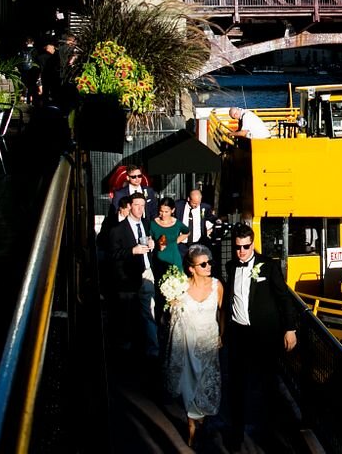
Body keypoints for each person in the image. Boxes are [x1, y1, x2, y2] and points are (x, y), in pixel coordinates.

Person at [221, 222, 298, 451]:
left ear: (253, 244)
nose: (241, 252)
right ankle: (236, 435)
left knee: (267, 385)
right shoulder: (231, 266)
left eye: (245, 247)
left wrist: (290, 328)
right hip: (238, 334)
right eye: (237, 247)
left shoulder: (269, 266)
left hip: (264, 336)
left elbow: (284, 298)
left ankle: (269, 436)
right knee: (236, 386)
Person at [165, 244, 223, 448]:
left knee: (206, 385)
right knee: (190, 385)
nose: (209, 266)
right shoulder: (180, 287)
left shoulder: (217, 286)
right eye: (204, 264)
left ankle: (203, 422)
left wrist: (221, 335)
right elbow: (174, 317)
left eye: (210, 262)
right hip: (188, 344)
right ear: (191, 268)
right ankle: (191, 426)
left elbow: (222, 312)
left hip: (209, 342)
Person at [109, 193, 160, 360]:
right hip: (128, 277)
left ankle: (153, 351)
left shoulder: (146, 223)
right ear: (130, 206)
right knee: (128, 315)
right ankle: (127, 352)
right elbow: (113, 255)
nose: (140, 208)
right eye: (137, 205)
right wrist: (133, 250)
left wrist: (153, 245)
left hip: (147, 272)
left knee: (149, 312)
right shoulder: (118, 229)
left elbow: (152, 244)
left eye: (143, 205)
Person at [149, 196, 189, 299]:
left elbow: (187, 231)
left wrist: (175, 241)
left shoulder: (177, 223)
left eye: (166, 211)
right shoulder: (153, 223)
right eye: (161, 211)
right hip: (159, 260)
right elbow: (149, 238)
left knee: (177, 289)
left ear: (172, 210)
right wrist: (154, 243)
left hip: (174, 259)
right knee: (160, 292)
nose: (163, 214)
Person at [17, 37, 40, 105]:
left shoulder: (22, 50)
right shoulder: (35, 51)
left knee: (25, 85)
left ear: (26, 43)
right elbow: (37, 61)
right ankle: (32, 101)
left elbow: (19, 62)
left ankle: (25, 98)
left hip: (24, 71)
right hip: (33, 70)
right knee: (32, 85)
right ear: (33, 42)